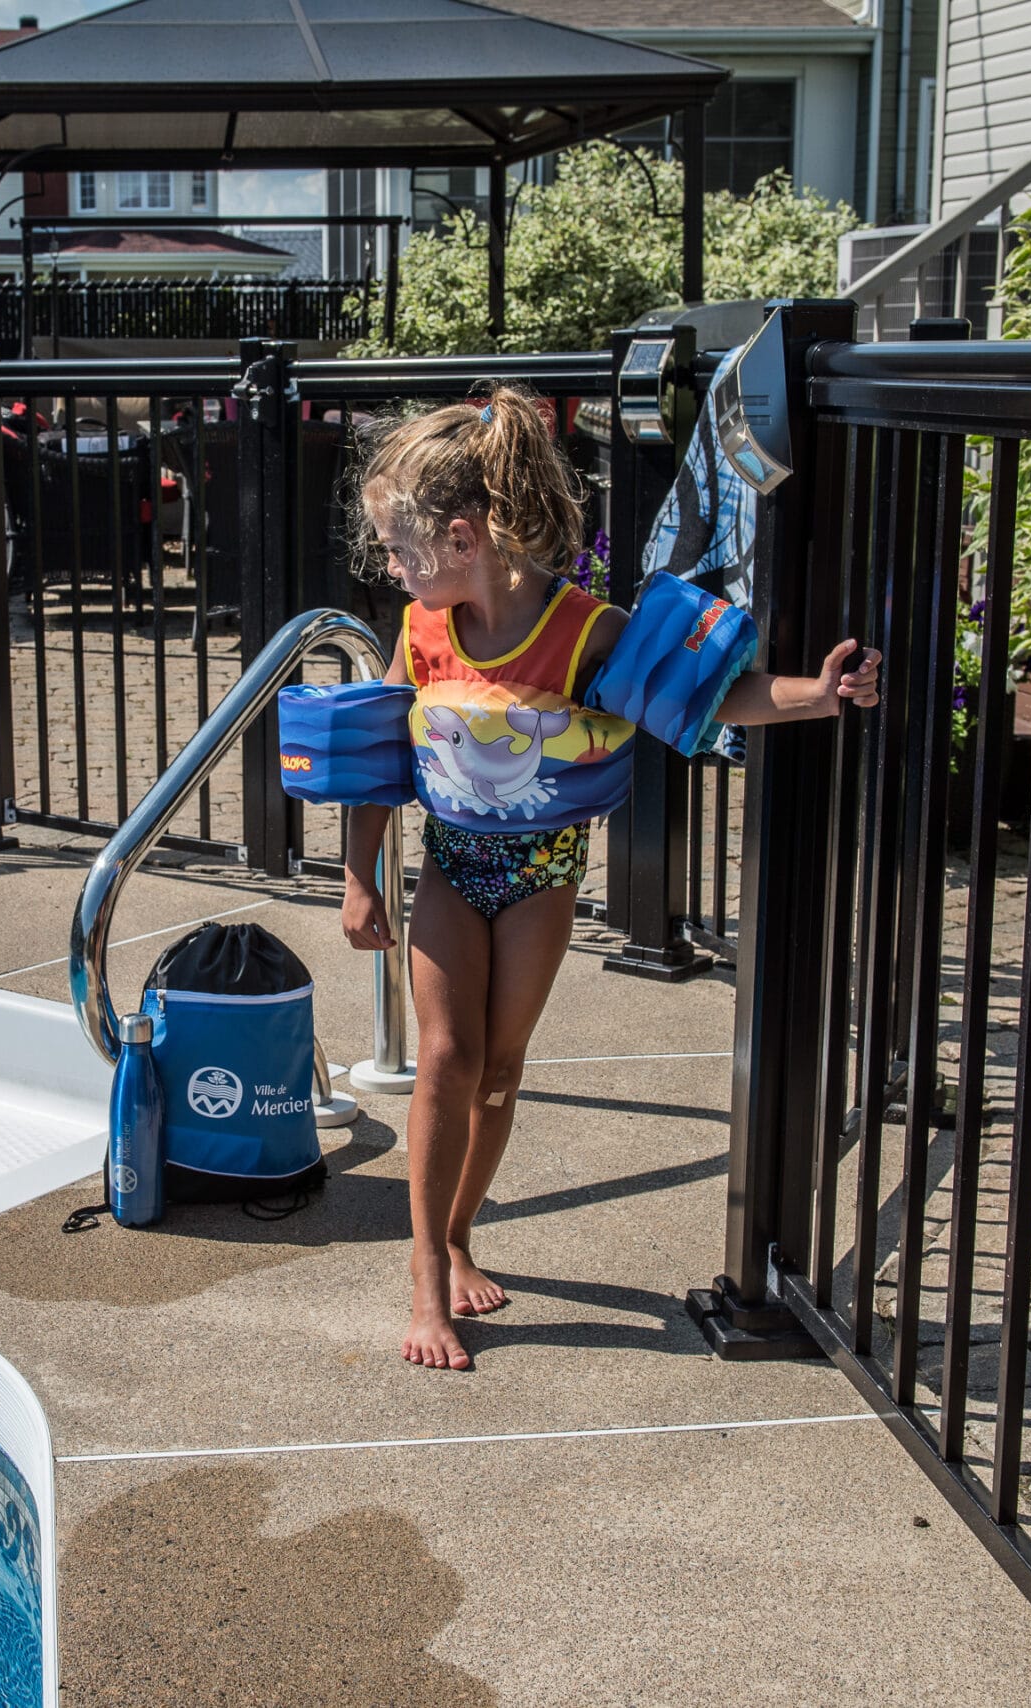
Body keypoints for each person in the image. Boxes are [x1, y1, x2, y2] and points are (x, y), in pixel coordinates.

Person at [339, 387, 881, 1371]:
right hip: (452, 868)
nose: (391, 567)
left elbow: (702, 695)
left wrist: (817, 694)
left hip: (542, 873)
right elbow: (376, 754)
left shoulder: (582, 631)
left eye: (400, 548)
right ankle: (425, 1272)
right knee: (448, 1055)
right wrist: (358, 877)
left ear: (462, 536)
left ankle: (458, 1233)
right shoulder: (420, 633)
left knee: (499, 1072)